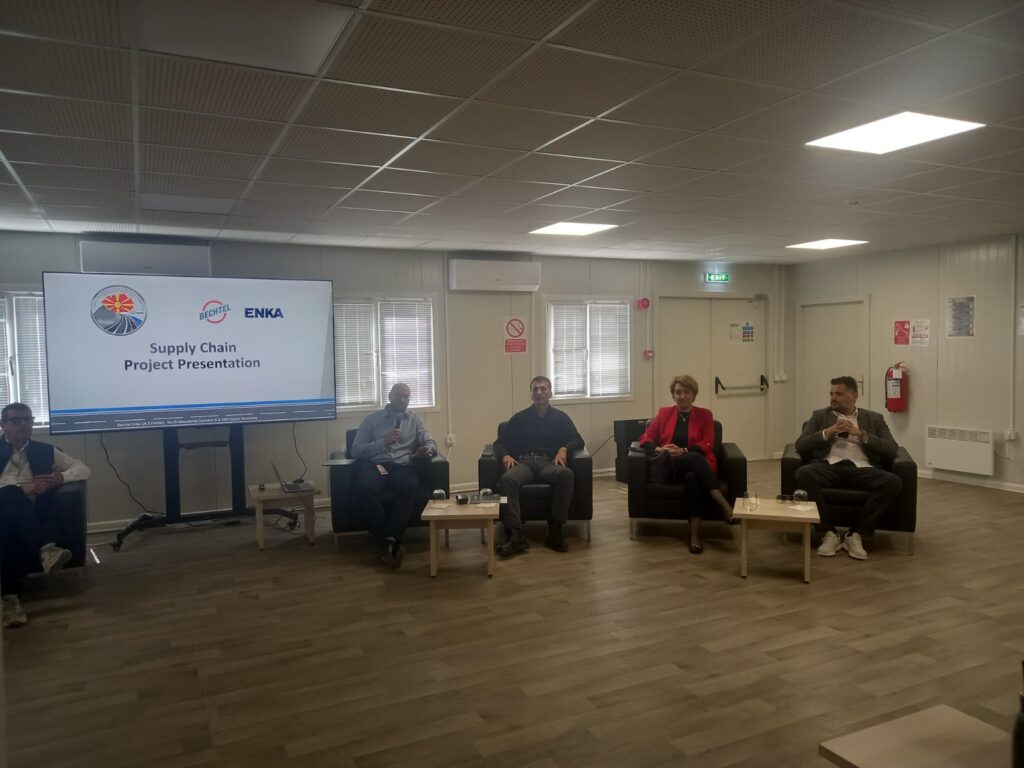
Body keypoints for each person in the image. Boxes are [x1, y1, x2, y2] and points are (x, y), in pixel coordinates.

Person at [1, 402, 91, 628]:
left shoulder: (45, 450)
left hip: (33, 514)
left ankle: (10, 599)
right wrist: (23, 490)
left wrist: (60, 478)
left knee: (7, 528)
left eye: (28, 419)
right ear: (3, 425)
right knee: (10, 493)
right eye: (16, 420)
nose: (23, 424)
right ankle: (45, 548)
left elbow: (83, 468)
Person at [795, 376, 902, 560]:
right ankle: (828, 533)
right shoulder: (820, 416)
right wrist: (827, 432)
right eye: (831, 394)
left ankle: (856, 534)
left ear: (854, 396)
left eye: (839, 394)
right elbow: (801, 445)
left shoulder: (874, 419)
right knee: (803, 474)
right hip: (829, 465)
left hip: (862, 467)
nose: (833, 398)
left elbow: (892, 449)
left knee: (892, 482)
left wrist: (861, 434)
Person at [638, 375, 734, 554]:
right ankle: (724, 505)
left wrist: (683, 451)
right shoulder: (664, 413)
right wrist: (660, 449)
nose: (682, 396)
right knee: (694, 459)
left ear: (694, 394)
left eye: (686, 392)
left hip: (696, 467)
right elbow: (645, 438)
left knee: (693, 477)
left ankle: (695, 537)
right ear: (673, 395)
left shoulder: (705, 415)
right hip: (671, 467)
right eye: (678, 392)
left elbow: (708, 443)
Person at [350, 383, 438, 569]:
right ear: (390, 396)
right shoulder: (371, 420)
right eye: (399, 395)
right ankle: (385, 539)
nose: (403, 400)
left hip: (402, 465)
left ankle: (391, 538)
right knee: (366, 487)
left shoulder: (415, 420)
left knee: (409, 486)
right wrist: (383, 441)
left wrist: (426, 450)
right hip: (376, 465)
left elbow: (430, 441)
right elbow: (356, 450)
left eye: (406, 396)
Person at [494, 375, 584, 557]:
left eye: (543, 389)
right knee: (507, 479)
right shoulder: (519, 418)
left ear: (550, 393)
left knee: (566, 475)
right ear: (531, 394)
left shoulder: (561, 418)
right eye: (535, 389)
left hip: (548, 463)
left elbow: (578, 440)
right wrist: (505, 455)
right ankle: (516, 534)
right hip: (524, 463)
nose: (539, 392)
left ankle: (555, 530)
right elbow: (499, 443)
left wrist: (564, 448)